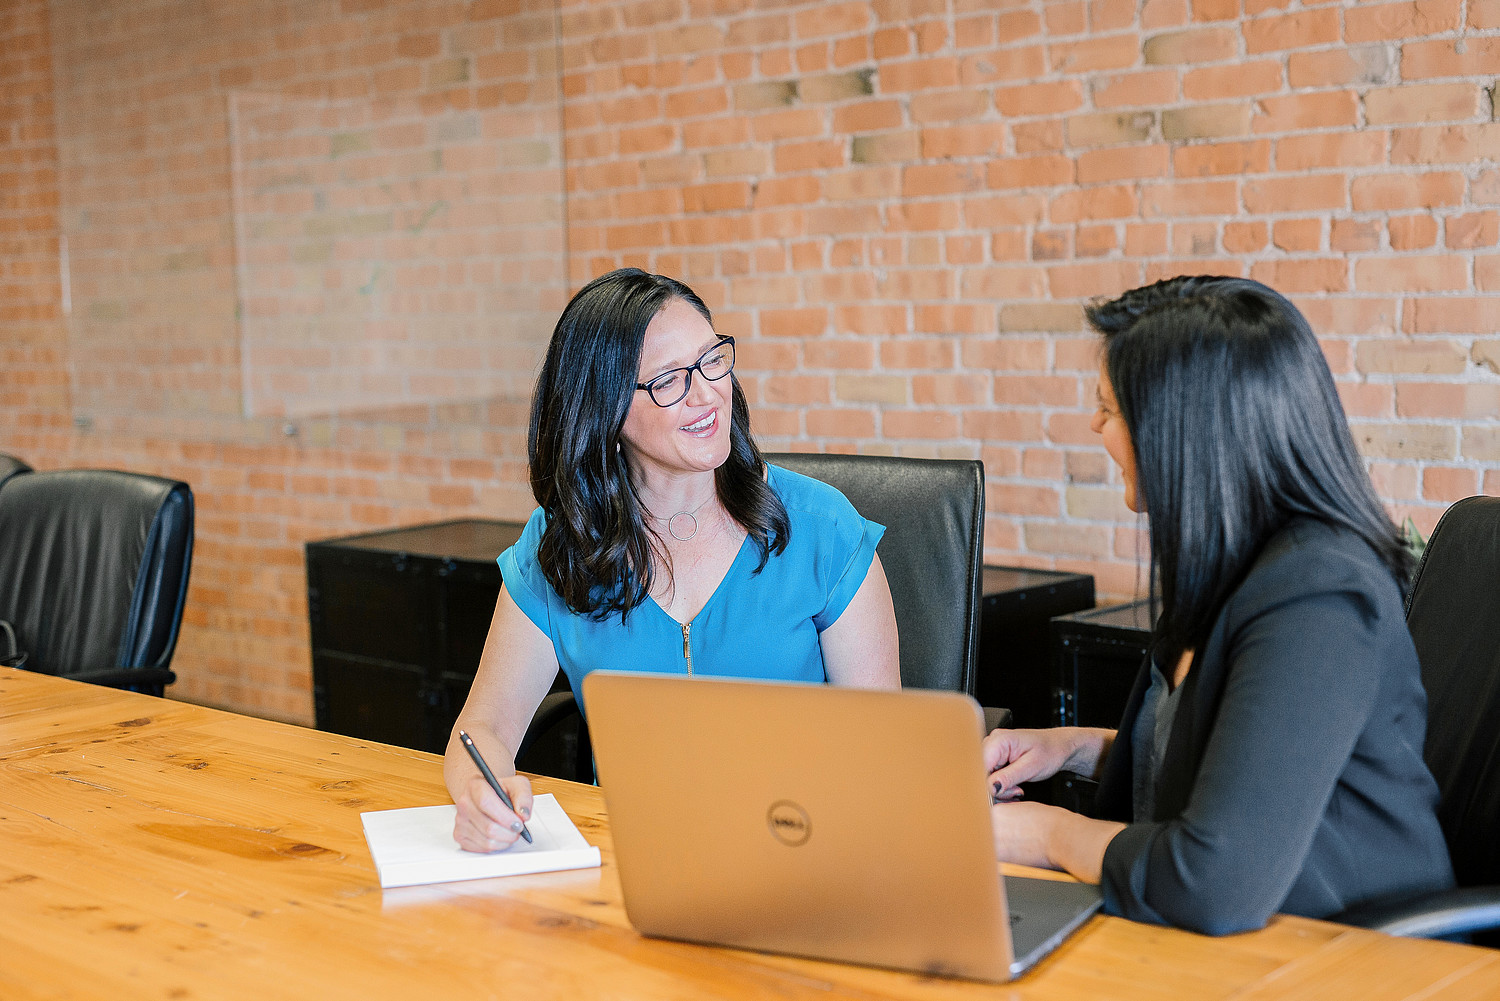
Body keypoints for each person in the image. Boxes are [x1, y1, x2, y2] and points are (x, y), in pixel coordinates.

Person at [984, 276, 1454, 934]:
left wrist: (1046, 834)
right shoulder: (1232, 566)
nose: (1093, 425)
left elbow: (1212, 880)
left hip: (1345, 950)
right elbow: (1232, 755)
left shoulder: (1319, 596)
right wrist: (1071, 747)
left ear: (1182, 432)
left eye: (1109, 409)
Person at [445, 268, 900, 852]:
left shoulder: (822, 528)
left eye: (713, 360)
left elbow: (884, 748)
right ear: (604, 411)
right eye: (668, 380)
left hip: (804, 848)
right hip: (634, 859)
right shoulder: (561, 546)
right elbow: (479, 731)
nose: (709, 392)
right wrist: (480, 798)